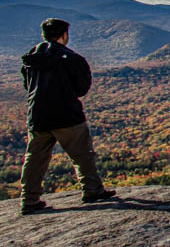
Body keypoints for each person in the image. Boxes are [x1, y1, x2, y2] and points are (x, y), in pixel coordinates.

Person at [19, 18, 115, 215]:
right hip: (67, 114)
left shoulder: (30, 59)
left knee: (35, 158)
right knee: (82, 155)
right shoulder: (72, 58)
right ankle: (92, 191)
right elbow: (81, 87)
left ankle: (29, 200)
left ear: (43, 35)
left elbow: (27, 86)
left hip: (38, 115)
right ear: (64, 35)